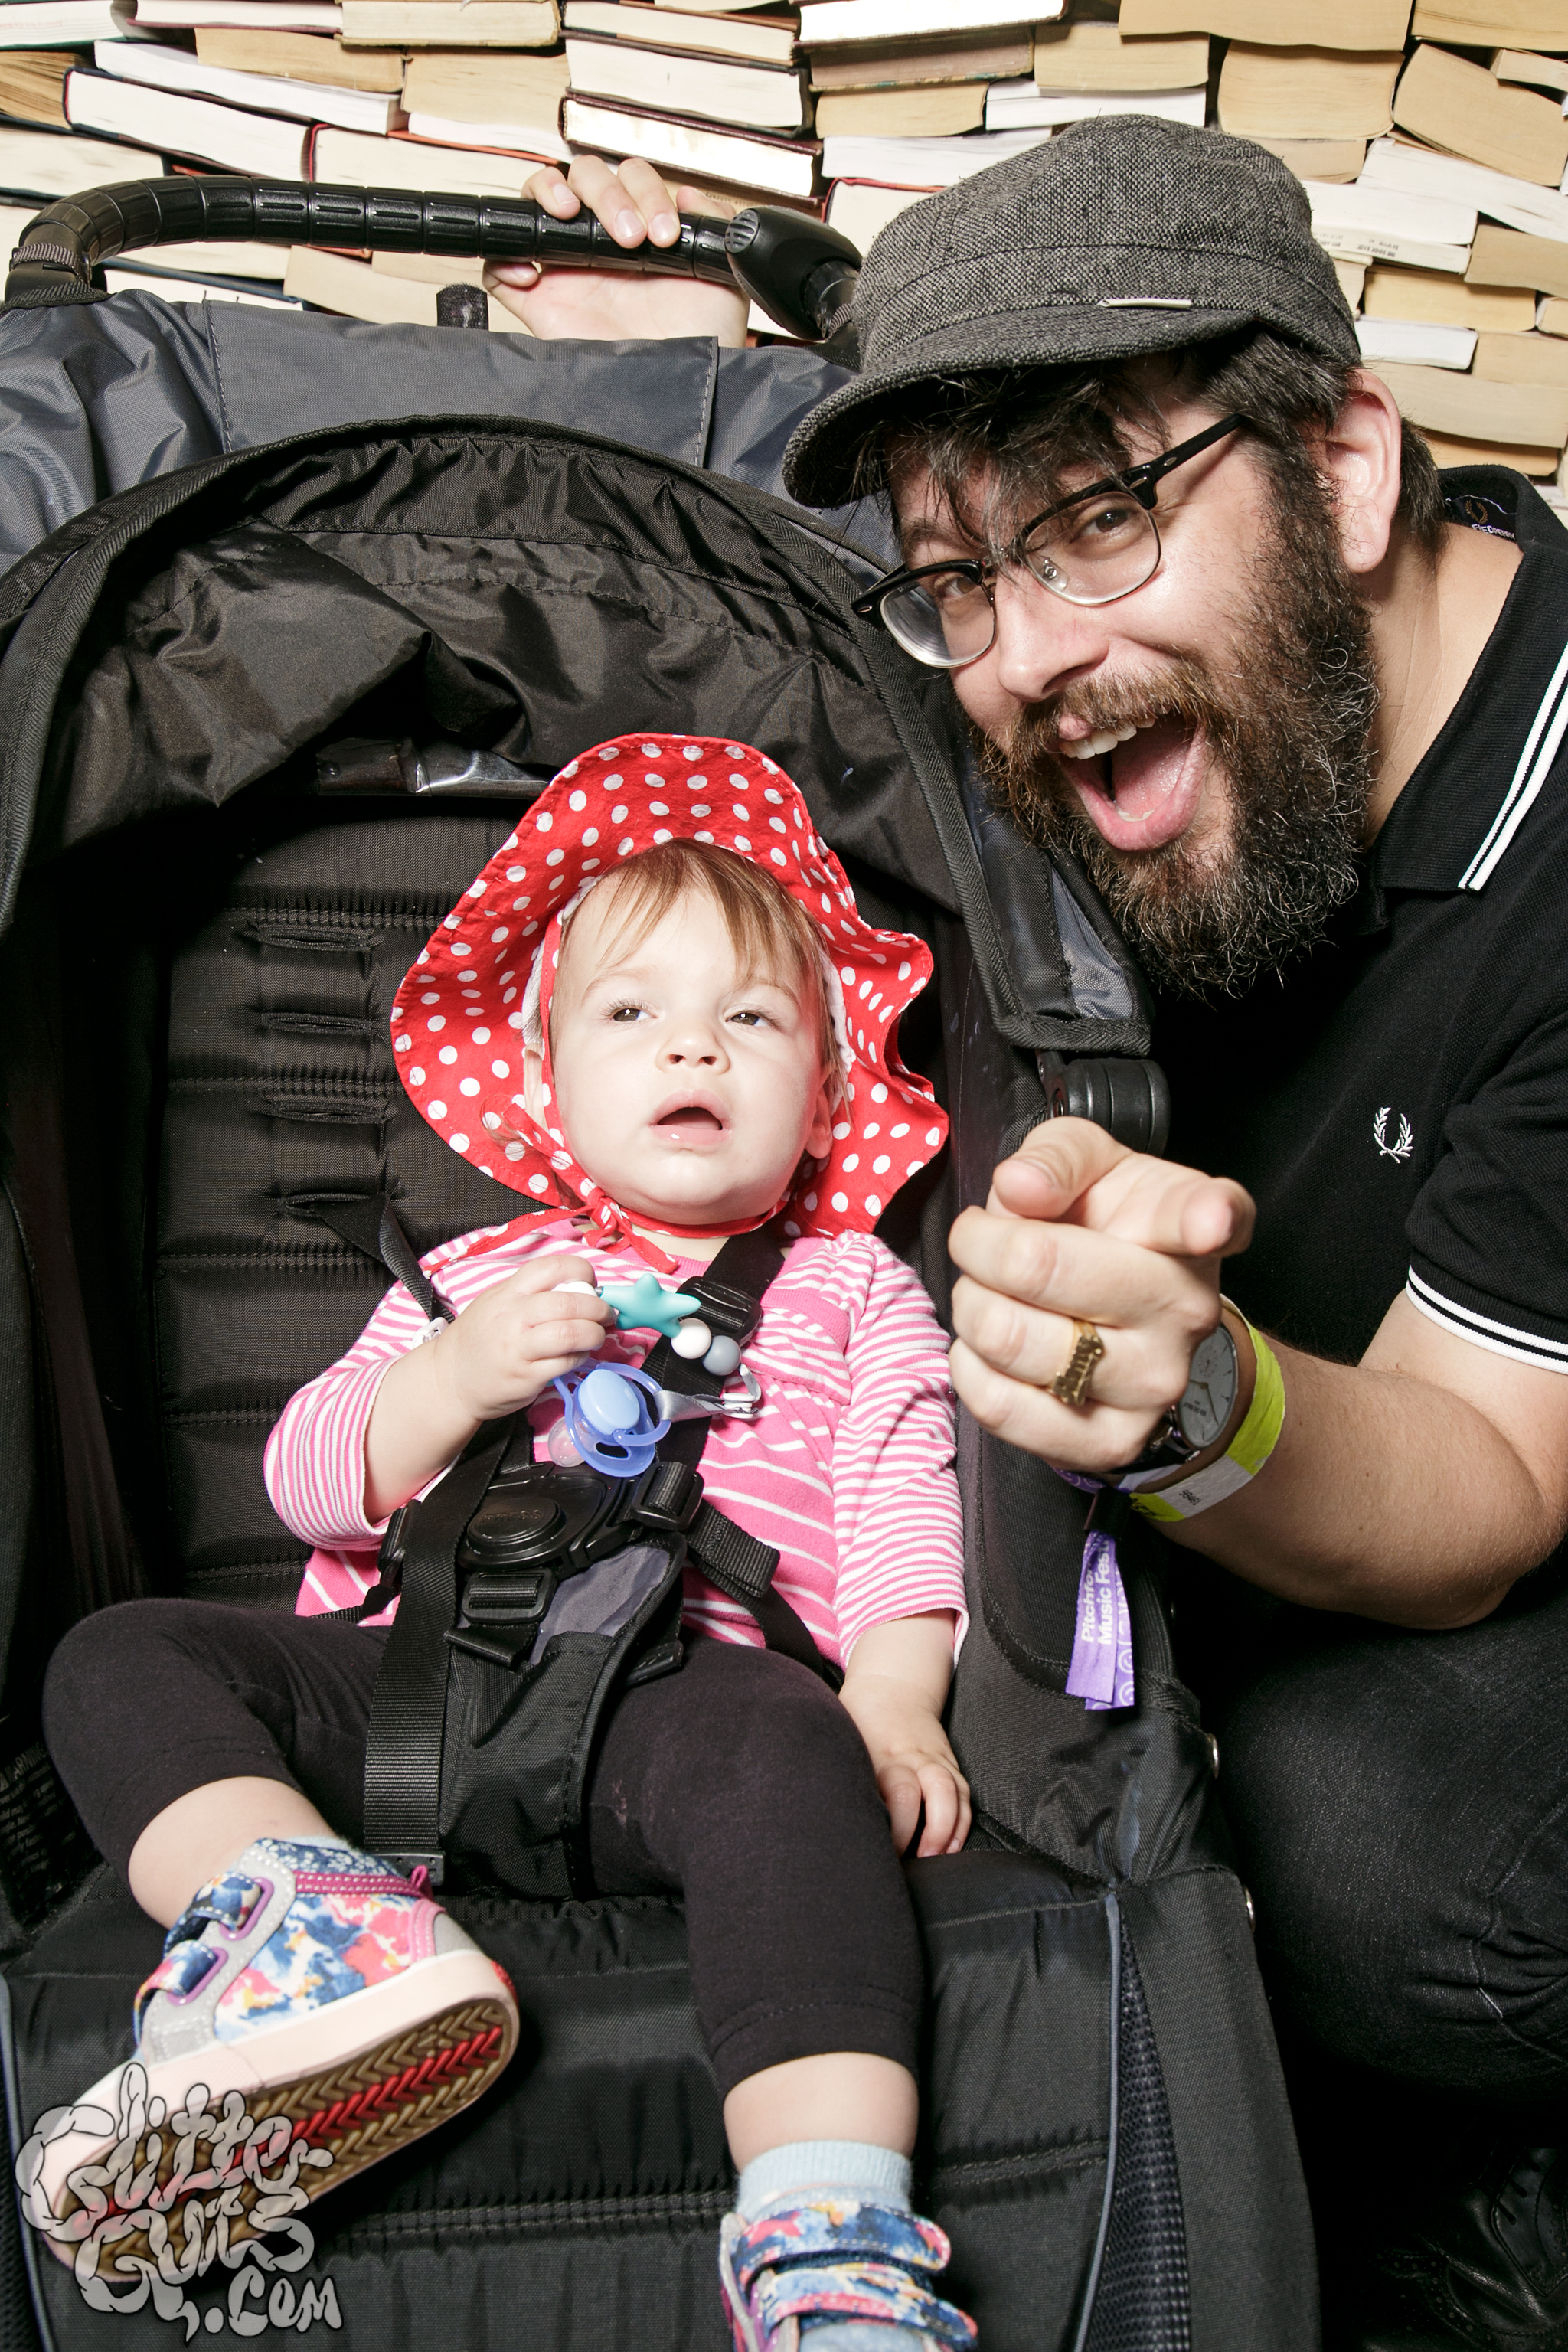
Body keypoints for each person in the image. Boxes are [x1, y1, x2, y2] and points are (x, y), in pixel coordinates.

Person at [491, 122, 1568, 2344]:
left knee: (1362, 1854)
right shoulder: (1185, 679)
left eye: (1096, 523)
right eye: (958, 580)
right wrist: (662, 390)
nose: (1021, 660)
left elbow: (1481, 1491)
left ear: (1347, 473)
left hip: (1484, 1523)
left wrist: (1200, 1407)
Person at [39, 734, 979, 2352]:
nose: (692, 1043)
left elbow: (903, 1505)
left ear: (828, 1087)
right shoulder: (473, 1275)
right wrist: (451, 1378)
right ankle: (300, 1924)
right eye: (630, 1014)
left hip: (672, 1713)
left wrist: (893, 1702)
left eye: (754, 1019)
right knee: (124, 1658)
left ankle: (831, 2231)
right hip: (409, 1689)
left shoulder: (851, 1292)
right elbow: (308, 1483)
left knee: (793, 1758)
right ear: (545, 1079)